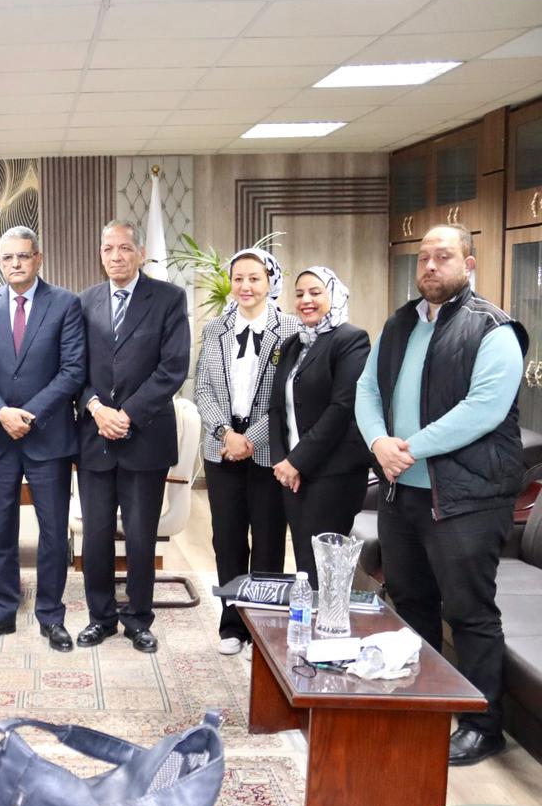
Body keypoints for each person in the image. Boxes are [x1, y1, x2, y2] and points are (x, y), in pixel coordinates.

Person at [356, 223, 527, 767]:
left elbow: (483, 410)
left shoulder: (493, 328)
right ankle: (421, 702)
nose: (431, 265)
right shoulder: (399, 323)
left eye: (444, 256)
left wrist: (407, 448)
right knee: (410, 605)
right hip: (400, 494)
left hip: (466, 500)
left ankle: (483, 726)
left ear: (468, 264)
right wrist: (379, 442)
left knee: (469, 613)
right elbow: (367, 389)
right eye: (424, 257)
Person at [0, 226, 85, 652]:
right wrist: (1, 412)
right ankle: (1, 612)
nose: (15, 263)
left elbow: (73, 370)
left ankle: (51, 616)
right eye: (8, 257)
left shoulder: (66, 304)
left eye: (23, 256)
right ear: (0, 262)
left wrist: (28, 415)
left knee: (52, 532)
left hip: (48, 436)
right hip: (0, 437)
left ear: (38, 258)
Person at [76, 221, 190, 654]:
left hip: (145, 437)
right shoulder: (84, 302)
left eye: (125, 248)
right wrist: (96, 408)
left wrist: (127, 415)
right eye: (108, 249)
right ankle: (100, 618)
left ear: (140, 253)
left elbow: (173, 367)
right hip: (95, 436)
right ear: (100, 254)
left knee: (141, 537)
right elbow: (73, 367)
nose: (116, 256)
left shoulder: (168, 299)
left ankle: (139, 619)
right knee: (96, 535)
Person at [195, 248, 299, 655]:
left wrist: (251, 438)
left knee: (269, 540)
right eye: (238, 278)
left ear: (270, 282)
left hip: (268, 451)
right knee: (227, 539)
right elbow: (203, 389)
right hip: (221, 449)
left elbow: (288, 397)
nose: (245, 286)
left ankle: (265, 626)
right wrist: (226, 434)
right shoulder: (215, 328)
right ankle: (232, 625)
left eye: (254, 278)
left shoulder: (290, 328)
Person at [269, 267, 371, 586]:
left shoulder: (351, 340)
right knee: (304, 559)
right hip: (292, 474)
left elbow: (342, 409)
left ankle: (325, 617)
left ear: (334, 295)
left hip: (333, 474)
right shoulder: (293, 345)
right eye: (299, 294)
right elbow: (276, 408)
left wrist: (297, 461)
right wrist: (282, 462)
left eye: (315, 292)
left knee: (323, 567)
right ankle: (307, 615)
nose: (306, 300)